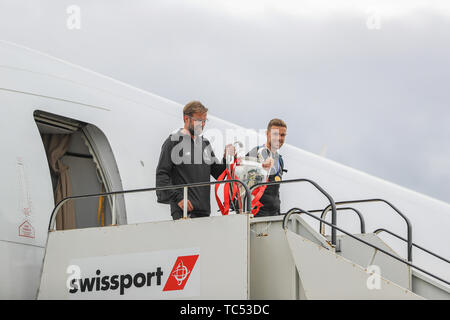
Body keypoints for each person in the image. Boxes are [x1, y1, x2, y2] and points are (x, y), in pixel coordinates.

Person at [156, 101, 234, 220]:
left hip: (204, 212)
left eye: (204, 121)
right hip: (183, 212)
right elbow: (162, 175)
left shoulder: (204, 144)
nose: (202, 124)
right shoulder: (173, 142)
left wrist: (226, 158)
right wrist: (178, 198)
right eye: (198, 120)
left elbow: (218, 173)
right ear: (186, 119)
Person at [247, 118, 287, 216]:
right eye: (275, 134)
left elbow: (275, 192)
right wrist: (260, 167)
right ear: (267, 134)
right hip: (256, 215)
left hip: (274, 216)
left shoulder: (280, 160)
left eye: (282, 135)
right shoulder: (255, 153)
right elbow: (243, 184)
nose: (279, 138)